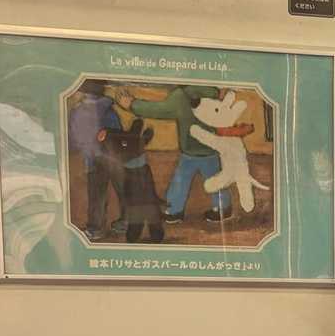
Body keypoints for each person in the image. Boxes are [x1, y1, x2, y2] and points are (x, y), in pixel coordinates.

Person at [115, 85, 230, 224]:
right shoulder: (213, 93)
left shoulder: (181, 96)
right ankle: (223, 208)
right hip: (211, 148)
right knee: (215, 179)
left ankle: (174, 211)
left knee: (181, 180)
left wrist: (133, 104)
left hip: (190, 151)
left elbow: (158, 110)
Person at [67, 80, 123, 238]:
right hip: (114, 157)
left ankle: (96, 229)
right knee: (122, 190)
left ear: (84, 92)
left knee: (97, 195)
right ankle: (125, 223)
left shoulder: (76, 112)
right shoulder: (110, 111)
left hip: (93, 160)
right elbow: (118, 132)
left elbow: (72, 141)